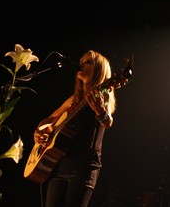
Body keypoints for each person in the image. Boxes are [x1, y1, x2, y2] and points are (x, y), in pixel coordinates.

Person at [33, 50, 116, 207]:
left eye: (88, 62)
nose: (81, 64)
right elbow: (49, 119)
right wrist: (39, 131)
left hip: (83, 169)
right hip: (59, 166)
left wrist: (100, 111)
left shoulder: (102, 94)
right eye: (81, 61)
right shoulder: (73, 100)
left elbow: (108, 122)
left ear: (98, 70)